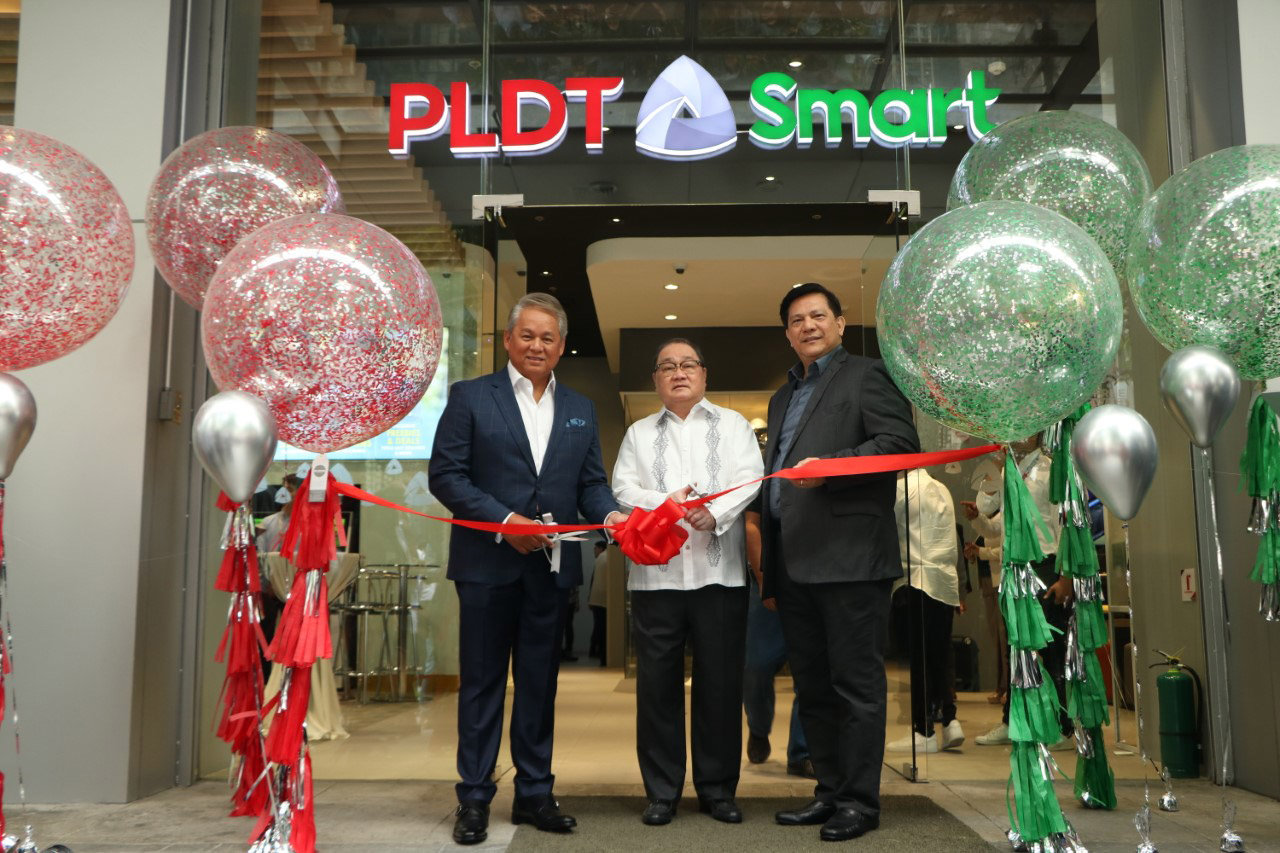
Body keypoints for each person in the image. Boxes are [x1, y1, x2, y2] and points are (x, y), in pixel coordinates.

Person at [429, 292, 627, 845]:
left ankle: (535, 794)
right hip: (486, 566)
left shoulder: (581, 409)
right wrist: (507, 520)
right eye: (528, 335)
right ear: (510, 340)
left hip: (552, 569)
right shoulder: (471, 396)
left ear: (561, 346)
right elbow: (447, 476)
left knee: (540, 686)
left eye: (549, 337)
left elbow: (589, 483)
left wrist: (611, 513)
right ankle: (473, 797)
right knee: (483, 685)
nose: (538, 345)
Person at [761, 283, 920, 842]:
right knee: (814, 687)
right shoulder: (782, 397)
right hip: (795, 561)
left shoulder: (867, 375)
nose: (808, 326)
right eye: (797, 320)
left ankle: (860, 802)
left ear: (840, 322)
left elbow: (900, 443)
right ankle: (828, 792)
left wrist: (834, 465)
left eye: (818, 316)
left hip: (851, 560)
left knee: (857, 687)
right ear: (787, 333)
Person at [612, 338, 763, 826]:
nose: (678, 373)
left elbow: (751, 476)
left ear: (703, 374)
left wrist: (713, 512)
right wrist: (670, 504)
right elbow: (622, 487)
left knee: (720, 685)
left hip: (721, 575)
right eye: (667, 367)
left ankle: (718, 790)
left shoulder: (735, 425)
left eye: (688, 365)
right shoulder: (637, 432)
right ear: (655, 379)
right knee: (656, 688)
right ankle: (661, 791)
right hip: (655, 579)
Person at [968, 435, 1073, 750]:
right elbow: (1000, 527)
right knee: (1017, 649)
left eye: (1023, 430)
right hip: (1017, 569)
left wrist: (1065, 576)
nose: (1014, 437)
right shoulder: (1008, 473)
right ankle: (1011, 722)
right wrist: (978, 521)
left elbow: (1065, 524)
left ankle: (1064, 727)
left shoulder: (1053, 471)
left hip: (1047, 566)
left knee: (1052, 648)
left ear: (1038, 434)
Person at [888, 468, 965, 754]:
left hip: (915, 580)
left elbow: (888, 534)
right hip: (944, 582)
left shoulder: (900, 490)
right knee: (940, 654)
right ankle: (950, 719)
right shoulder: (942, 488)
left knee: (920, 658)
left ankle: (924, 730)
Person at [743, 504, 813, 778]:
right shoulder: (767, 463)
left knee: (809, 670)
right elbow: (752, 524)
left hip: (813, 577)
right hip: (770, 576)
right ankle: (758, 729)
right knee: (756, 666)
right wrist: (764, 581)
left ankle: (802, 752)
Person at [962, 459, 1009, 706]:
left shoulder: (1007, 511)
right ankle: (1004, 688)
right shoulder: (993, 517)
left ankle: (1007, 689)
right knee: (999, 638)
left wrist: (979, 553)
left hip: (1003, 581)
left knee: (1005, 638)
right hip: (991, 580)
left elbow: (1004, 549)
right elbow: (990, 531)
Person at [254, 474, 301, 675]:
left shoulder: (305, 525)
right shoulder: (267, 522)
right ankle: (264, 679)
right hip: (269, 588)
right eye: (284, 491)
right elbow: (261, 555)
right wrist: (271, 581)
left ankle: (290, 677)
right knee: (265, 634)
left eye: (290, 491)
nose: (286, 495)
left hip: (296, 589)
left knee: (294, 636)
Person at [587, 540, 609, 665]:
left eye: (595, 548)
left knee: (598, 628)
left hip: (597, 598)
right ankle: (602, 655)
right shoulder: (608, 558)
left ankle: (596, 652)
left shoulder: (601, 558)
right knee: (602, 629)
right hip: (604, 599)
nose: (594, 551)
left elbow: (593, 578)